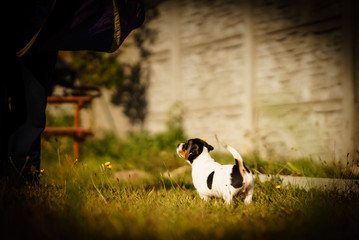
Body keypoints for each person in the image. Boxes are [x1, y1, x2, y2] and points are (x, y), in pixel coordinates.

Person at [1, 0, 145, 185]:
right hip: (39, 24)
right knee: (30, 106)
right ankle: (21, 175)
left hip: (42, 25)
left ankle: (23, 176)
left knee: (31, 105)